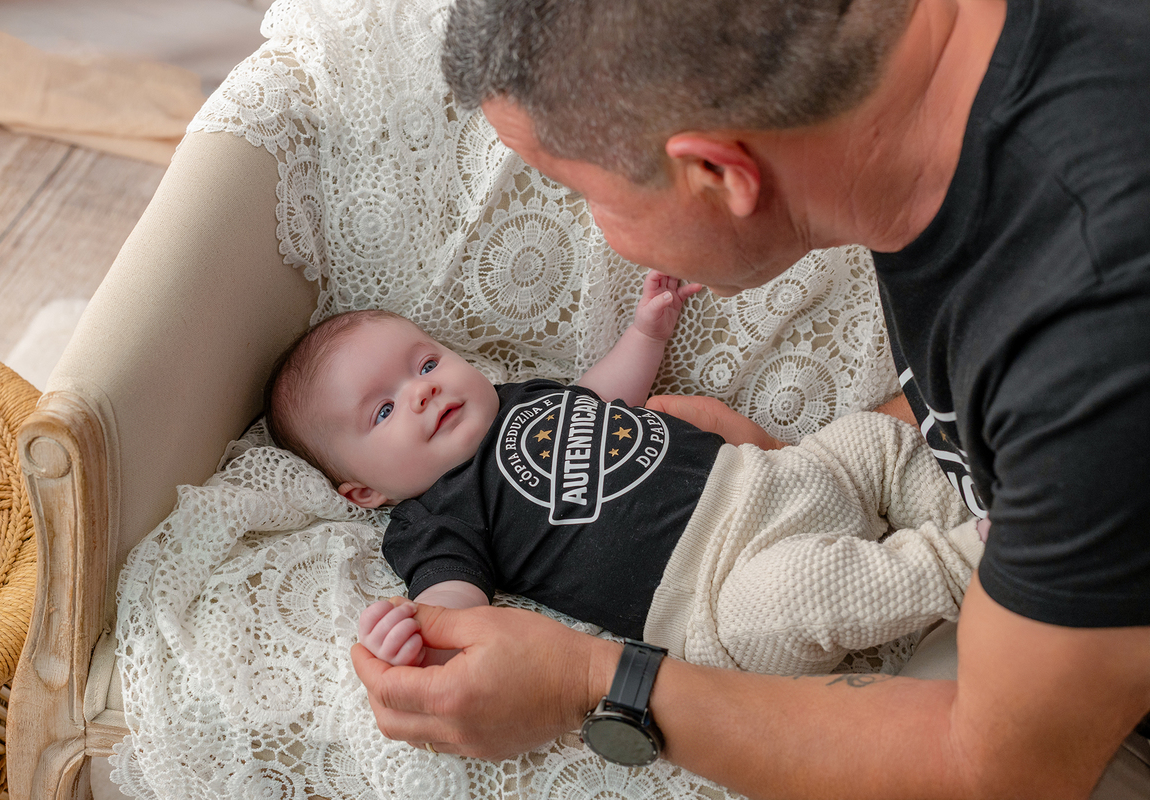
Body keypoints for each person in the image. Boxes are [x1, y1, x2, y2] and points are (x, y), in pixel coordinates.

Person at [350, 0, 1150, 797]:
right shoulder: (961, 91)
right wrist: (785, 475)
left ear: (718, 173)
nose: (599, 233)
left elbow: (999, 773)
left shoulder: (1091, 336)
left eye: (583, 192)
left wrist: (588, 681)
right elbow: (987, 403)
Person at [264, 275, 980, 678]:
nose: (421, 391)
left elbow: (602, 396)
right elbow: (459, 610)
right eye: (384, 409)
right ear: (365, 491)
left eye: (425, 364)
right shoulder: (434, 519)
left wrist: (646, 333)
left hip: (775, 475)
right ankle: (978, 562)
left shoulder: (522, 399)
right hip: (721, 592)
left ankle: (966, 505)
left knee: (873, 440)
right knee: (804, 591)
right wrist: (415, 634)